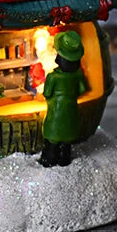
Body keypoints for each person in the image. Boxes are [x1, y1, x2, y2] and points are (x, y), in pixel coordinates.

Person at [39, 31, 87, 168]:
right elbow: (82, 89)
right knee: (67, 136)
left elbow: (47, 93)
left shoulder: (53, 76)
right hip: (71, 108)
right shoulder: (78, 74)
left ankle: (49, 158)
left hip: (56, 110)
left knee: (53, 136)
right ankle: (64, 158)